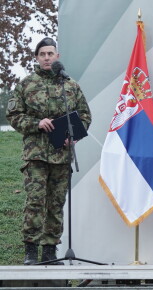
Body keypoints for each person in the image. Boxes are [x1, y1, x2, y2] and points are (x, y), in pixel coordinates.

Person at [7, 37, 91, 265]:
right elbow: (13, 115)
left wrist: (73, 136)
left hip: (61, 156)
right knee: (35, 202)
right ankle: (30, 251)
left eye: (50, 54)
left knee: (56, 204)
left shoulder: (70, 85)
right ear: (36, 57)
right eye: (42, 54)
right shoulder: (26, 84)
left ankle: (49, 251)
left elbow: (84, 115)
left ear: (57, 56)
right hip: (35, 155)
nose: (46, 58)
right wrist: (37, 123)